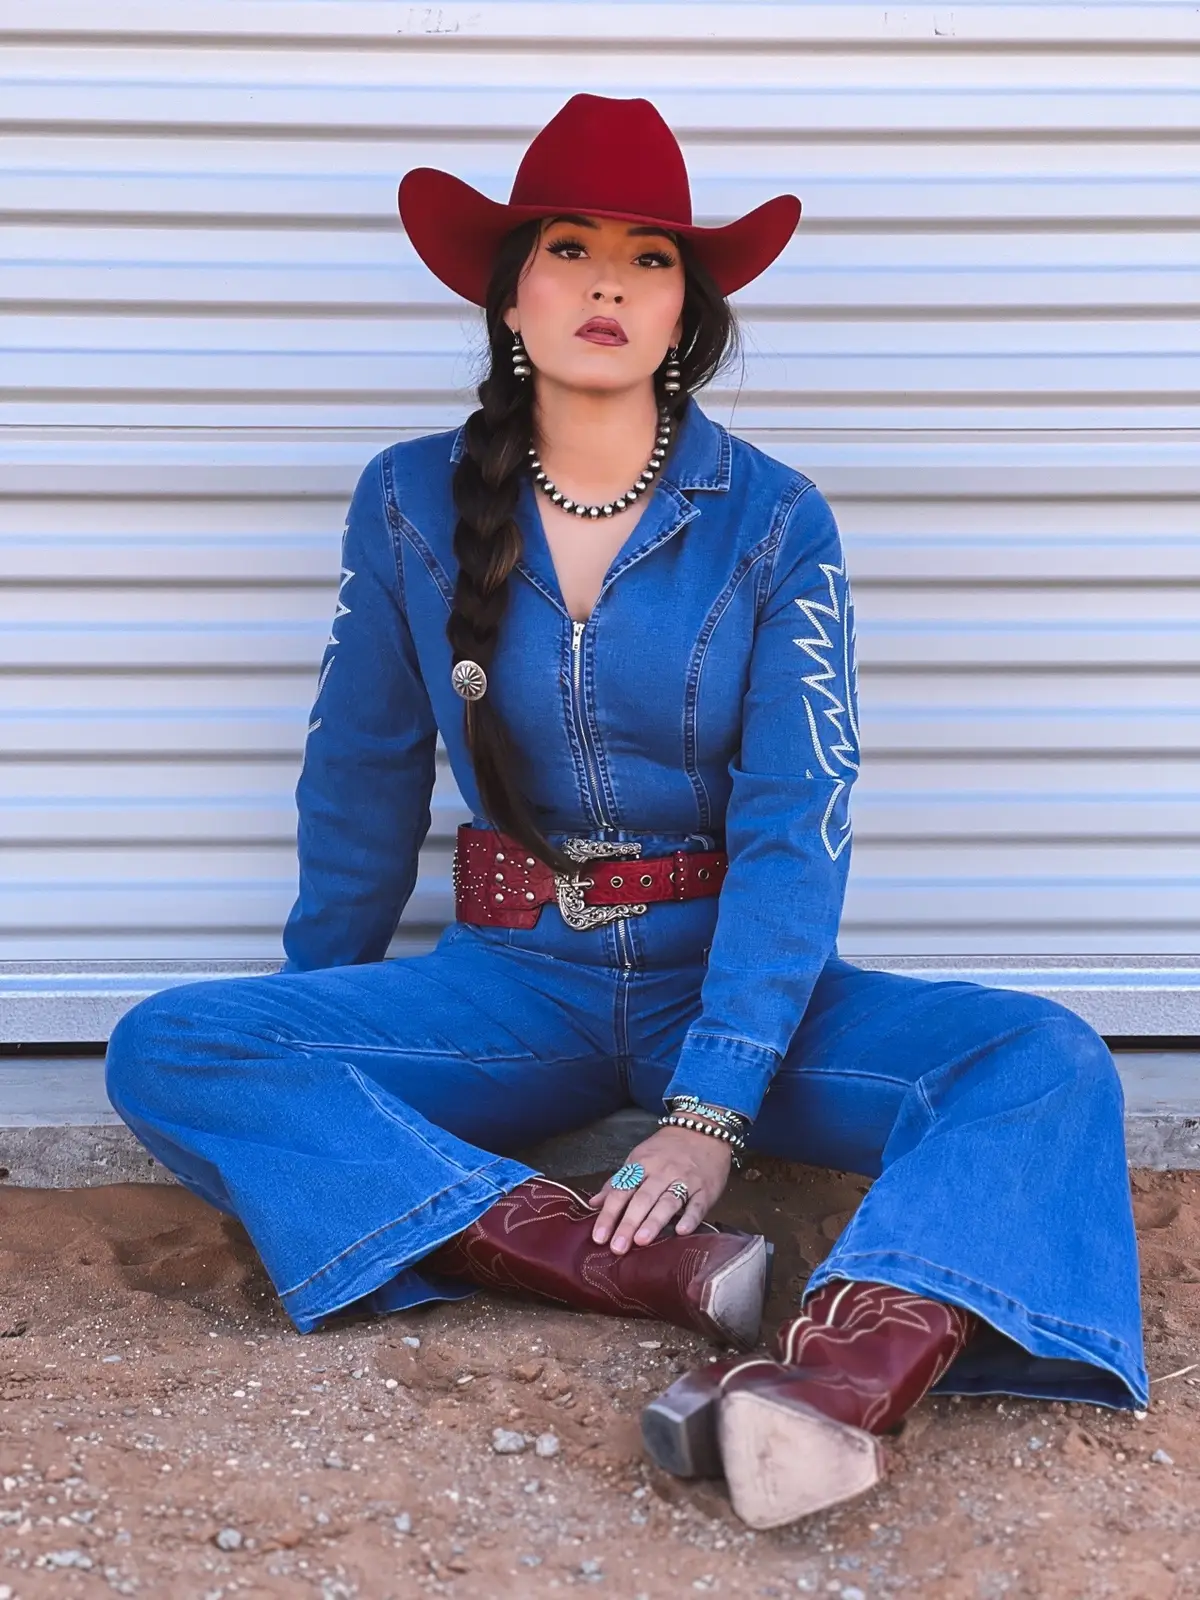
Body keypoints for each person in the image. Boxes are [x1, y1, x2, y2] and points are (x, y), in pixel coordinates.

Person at [104, 93, 1147, 1531]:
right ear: (509, 289)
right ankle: (625, 1264)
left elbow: (800, 819)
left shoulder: (775, 520)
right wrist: (322, 1024)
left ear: (685, 308)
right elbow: (358, 771)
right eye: (570, 247)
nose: (607, 282)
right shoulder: (410, 502)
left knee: (1040, 1059)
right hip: (509, 989)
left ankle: (832, 1386)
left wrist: (715, 1103)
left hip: (733, 991)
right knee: (174, 1046)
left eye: (649, 257)